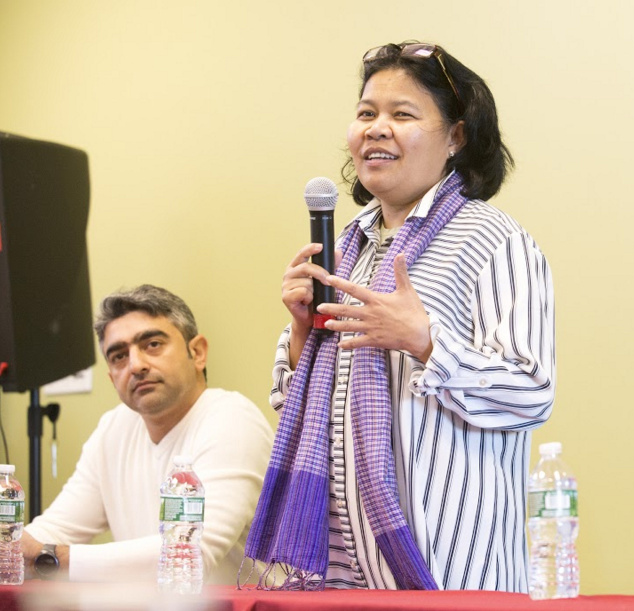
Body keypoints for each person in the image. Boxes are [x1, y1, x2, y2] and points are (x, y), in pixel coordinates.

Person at [244, 42, 555, 592]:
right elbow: (299, 401)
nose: (376, 128)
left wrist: (427, 343)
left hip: (453, 572)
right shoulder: (348, 247)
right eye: (367, 113)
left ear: (456, 137)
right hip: (341, 574)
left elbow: (532, 393)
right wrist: (300, 333)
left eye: (402, 114)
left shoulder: (494, 240)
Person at [21, 285, 274, 583]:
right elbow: (52, 530)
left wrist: (51, 559)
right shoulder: (112, 430)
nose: (136, 365)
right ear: (112, 378)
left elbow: (191, 555)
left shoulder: (232, 420)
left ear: (198, 352)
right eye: (118, 356)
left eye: (152, 344)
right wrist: (2, 544)